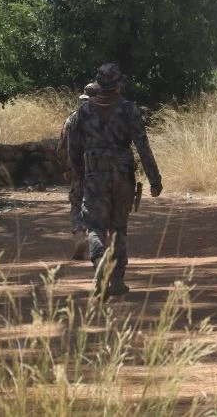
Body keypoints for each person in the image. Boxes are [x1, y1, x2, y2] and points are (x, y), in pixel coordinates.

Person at [67, 63, 162, 297]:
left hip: (93, 176)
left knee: (96, 226)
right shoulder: (129, 109)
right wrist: (154, 178)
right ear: (118, 85)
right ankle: (117, 280)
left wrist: (77, 179)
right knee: (119, 228)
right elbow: (142, 145)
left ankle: (99, 259)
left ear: (99, 85)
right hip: (122, 175)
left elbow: (73, 150)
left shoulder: (83, 112)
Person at [57, 82, 100, 259]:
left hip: (78, 168)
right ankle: (97, 239)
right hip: (102, 170)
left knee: (77, 203)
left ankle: (80, 234)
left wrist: (65, 167)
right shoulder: (109, 118)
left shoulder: (72, 119)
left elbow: (61, 148)